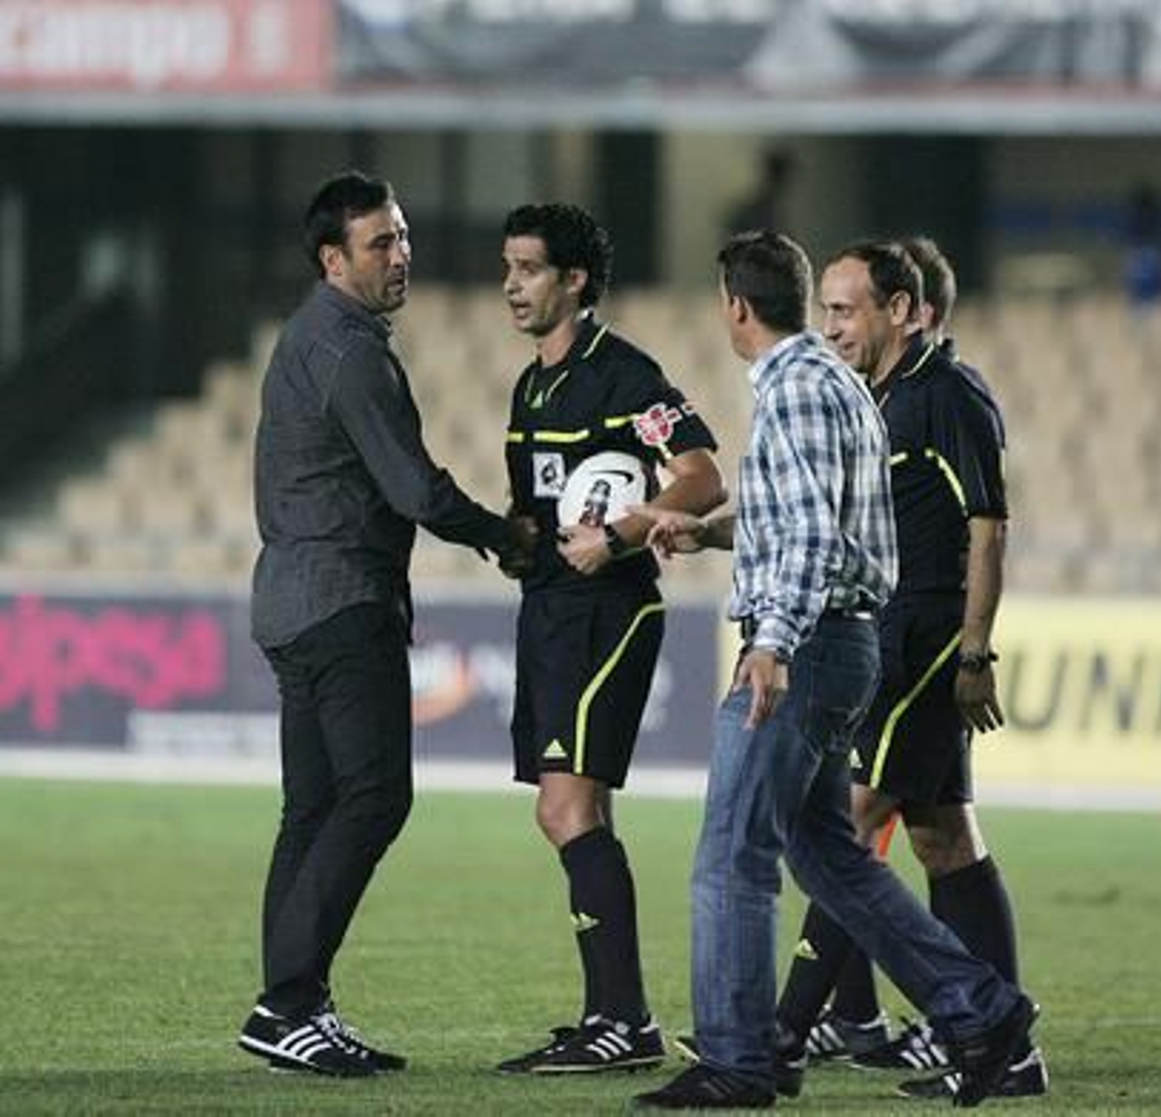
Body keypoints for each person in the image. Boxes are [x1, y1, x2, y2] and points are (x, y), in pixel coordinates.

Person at [630, 231, 1035, 1110]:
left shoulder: (798, 392)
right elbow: (818, 516)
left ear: (734, 305)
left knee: (731, 855)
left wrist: (770, 641)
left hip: (806, 647)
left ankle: (739, 1059)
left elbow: (815, 540)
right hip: (843, 641)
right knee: (832, 859)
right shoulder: (840, 387)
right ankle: (980, 1009)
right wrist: (705, 531)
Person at [239, 171, 535, 1076]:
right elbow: (413, 488)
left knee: (314, 807)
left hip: (290, 599)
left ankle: (296, 1006)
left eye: (403, 236)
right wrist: (500, 533)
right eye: (382, 243)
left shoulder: (312, 337)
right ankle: (286, 1000)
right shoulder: (350, 351)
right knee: (376, 796)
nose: (402, 254)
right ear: (335, 259)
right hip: (342, 600)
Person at [768, 238, 1046, 1101]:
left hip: (925, 638)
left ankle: (783, 1030)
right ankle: (1005, 1045)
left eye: (845, 310)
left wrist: (973, 648)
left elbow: (988, 527)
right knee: (943, 834)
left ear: (901, 309)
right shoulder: (871, 398)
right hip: (889, 630)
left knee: (842, 828)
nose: (831, 327)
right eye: (826, 311)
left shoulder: (948, 396)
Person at [491, 202, 725, 1076]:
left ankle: (621, 1019)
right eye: (507, 267)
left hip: (609, 613)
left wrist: (625, 534)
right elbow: (536, 509)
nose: (512, 284)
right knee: (579, 810)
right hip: (549, 612)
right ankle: (617, 1017)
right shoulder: (531, 386)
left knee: (565, 809)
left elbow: (701, 475)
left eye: (529, 268)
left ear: (574, 279)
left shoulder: (626, 376)